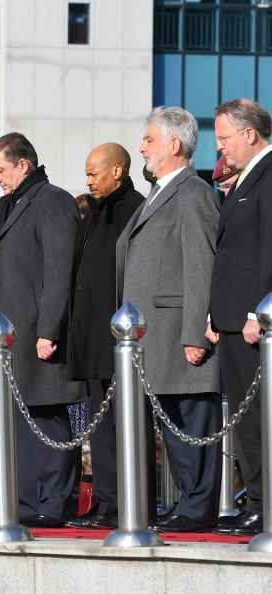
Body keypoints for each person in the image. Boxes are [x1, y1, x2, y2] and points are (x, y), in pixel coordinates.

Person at [117, 106, 221, 532]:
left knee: (190, 422)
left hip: (177, 331)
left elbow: (201, 264)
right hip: (152, 335)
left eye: (148, 140)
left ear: (173, 145)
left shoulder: (193, 194)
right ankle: (185, 505)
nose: (140, 148)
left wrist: (195, 330)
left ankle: (197, 508)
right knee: (174, 427)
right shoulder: (160, 193)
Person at [0, 133, 80, 527]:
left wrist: (49, 329)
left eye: (1, 169)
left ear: (24, 164)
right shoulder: (7, 204)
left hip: (36, 330)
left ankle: (52, 501)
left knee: (45, 414)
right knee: (17, 417)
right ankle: (22, 498)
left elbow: (58, 271)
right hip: (6, 334)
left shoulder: (52, 200)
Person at [65, 143, 145, 530]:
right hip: (91, 339)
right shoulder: (94, 213)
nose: (88, 180)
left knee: (123, 423)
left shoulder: (134, 210)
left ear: (117, 171)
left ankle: (127, 501)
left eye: (94, 173)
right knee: (101, 427)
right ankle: (107, 499)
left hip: (119, 338)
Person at [209, 98, 272, 536]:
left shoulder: (268, 177)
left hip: (255, 324)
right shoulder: (247, 178)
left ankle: (264, 504)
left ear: (250, 134)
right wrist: (217, 313)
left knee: (259, 418)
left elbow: (268, 249)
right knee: (245, 420)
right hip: (232, 321)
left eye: (225, 139)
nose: (221, 149)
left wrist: (258, 311)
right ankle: (255, 499)